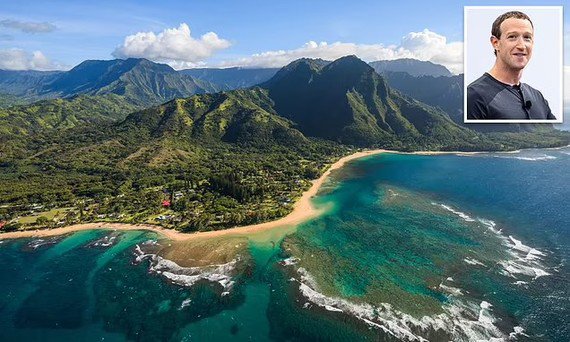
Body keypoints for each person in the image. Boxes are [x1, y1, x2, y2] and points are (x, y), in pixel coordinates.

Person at [467, 11, 556, 120]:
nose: (522, 46)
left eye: (527, 37)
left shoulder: (538, 97)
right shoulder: (474, 96)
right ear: (496, 43)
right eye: (512, 37)